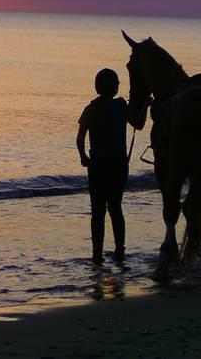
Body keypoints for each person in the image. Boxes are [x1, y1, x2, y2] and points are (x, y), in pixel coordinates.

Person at [76, 68, 129, 264]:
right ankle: (119, 250)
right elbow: (139, 123)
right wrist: (146, 106)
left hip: (97, 166)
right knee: (116, 208)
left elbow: (80, 138)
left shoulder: (90, 109)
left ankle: (97, 254)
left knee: (97, 211)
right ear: (115, 87)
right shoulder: (122, 106)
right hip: (118, 166)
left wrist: (83, 156)